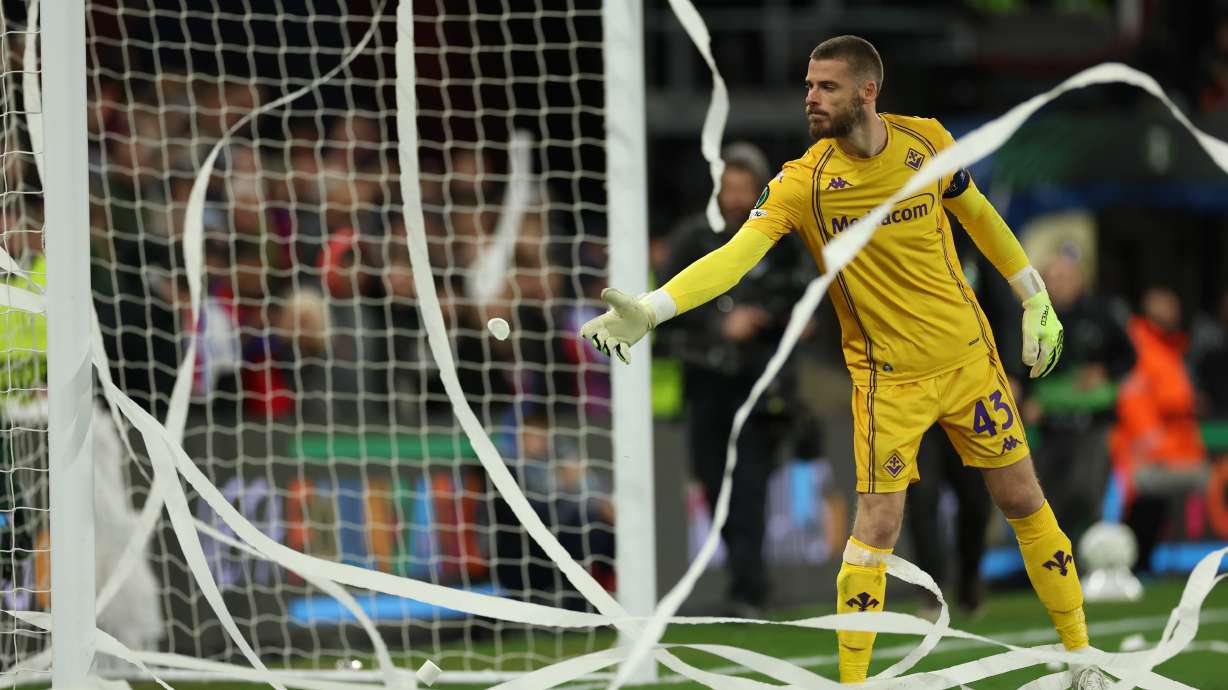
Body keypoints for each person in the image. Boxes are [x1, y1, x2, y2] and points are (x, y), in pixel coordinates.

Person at [581, 35, 1107, 687]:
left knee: (1023, 498)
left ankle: (1081, 658)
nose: (810, 97)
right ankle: (853, 683)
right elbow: (735, 257)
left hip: (969, 361)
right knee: (878, 523)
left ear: (867, 91)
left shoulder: (928, 144)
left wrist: (1033, 295)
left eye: (825, 86)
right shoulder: (805, 184)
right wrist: (654, 308)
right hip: (889, 381)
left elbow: (979, 216)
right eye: (807, 84)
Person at [656, 142, 811, 617]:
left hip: (761, 382)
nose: (737, 197)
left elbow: (807, 294)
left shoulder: (782, 238)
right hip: (706, 383)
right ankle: (746, 578)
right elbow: (663, 311)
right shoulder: (692, 240)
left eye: (745, 187)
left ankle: (750, 586)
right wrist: (717, 327)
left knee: (750, 482)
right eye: (730, 187)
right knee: (710, 476)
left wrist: (775, 317)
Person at [1023, 250, 1135, 549]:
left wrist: (1105, 371)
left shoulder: (1101, 314)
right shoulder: (1035, 319)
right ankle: (1055, 562)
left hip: (1092, 425)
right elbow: (1020, 368)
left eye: (1064, 277)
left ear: (1080, 279)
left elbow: (1128, 356)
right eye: (1052, 278)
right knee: (1047, 499)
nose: (1057, 284)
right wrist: (1027, 398)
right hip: (1048, 427)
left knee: (1084, 491)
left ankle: (1088, 555)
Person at [1112, 287, 1208, 574]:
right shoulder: (1140, 343)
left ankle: (1142, 563)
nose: (1172, 311)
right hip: (1148, 453)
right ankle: (1132, 563)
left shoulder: (1170, 346)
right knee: (1149, 502)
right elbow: (1135, 399)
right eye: (1165, 305)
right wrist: (1156, 447)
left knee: (1155, 509)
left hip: (1176, 447)